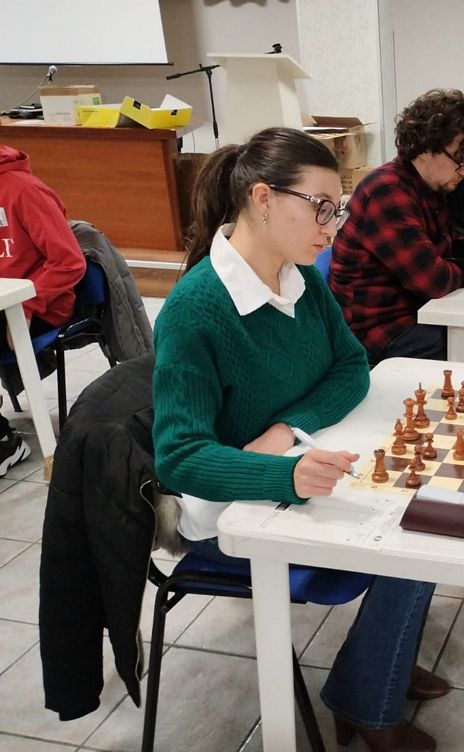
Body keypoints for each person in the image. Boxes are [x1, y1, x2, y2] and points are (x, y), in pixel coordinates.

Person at [152, 127, 443, 752]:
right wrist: (280, 472)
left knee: (429, 497)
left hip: (294, 460)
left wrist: (285, 431)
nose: (332, 228)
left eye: (337, 209)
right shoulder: (196, 309)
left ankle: (379, 664)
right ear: (263, 199)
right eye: (320, 207)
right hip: (229, 507)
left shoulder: (300, 280)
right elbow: (178, 457)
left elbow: (352, 368)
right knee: (413, 531)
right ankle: (371, 696)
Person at [329, 88, 464, 367]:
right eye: (460, 159)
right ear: (425, 148)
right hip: (380, 330)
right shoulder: (387, 191)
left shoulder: (436, 186)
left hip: (424, 309)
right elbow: (434, 281)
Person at [0, 144, 86, 474]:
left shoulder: (24, 191)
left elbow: (69, 262)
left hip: (41, 305)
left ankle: (4, 442)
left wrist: (27, 306)